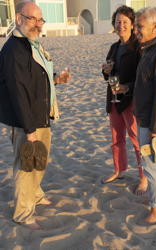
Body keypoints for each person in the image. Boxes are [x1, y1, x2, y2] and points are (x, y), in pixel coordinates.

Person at [0, 1, 70, 230]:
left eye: (41, 19)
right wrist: (29, 129)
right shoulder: (14, 49)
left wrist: (56, 79)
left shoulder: (33, 44)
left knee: (39, 160)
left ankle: (37, 194)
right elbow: (17, 90)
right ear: (19, 18)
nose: (38, 24)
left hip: (41, 114)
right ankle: (22, 212)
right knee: (25, 166)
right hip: (25, 120)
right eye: (33, 19)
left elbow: (36, 79)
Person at [101, 5, 147, 193]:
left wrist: (127, 87)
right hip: (114, 98)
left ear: (132, 24)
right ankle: (119, 169)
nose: (121, 25)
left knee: (137, 140)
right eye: (118, 22)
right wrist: (106, 71)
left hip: (132, 100)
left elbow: (144, 77)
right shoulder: (114, 47)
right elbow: (108, 74)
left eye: (125, 22)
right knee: (116, 137)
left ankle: (144, 177)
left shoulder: (138, 46)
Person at [134, 7, 156, 224]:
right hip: (144, 116)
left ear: (155, 26)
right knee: (151, 164)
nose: (136, 30)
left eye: (140, 26)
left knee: (151, 164)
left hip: (151, 121)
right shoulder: (147, 48)